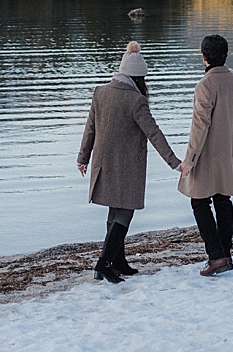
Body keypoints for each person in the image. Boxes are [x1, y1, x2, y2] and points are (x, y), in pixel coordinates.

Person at [77, 41, 181, 284]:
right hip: (127, 167)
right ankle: (103, 264)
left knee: (115, 211)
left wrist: (83, 158)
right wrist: (174, 162)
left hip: (103, 164)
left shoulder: (100, 92)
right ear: (139, 78)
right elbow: (154, 133)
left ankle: (118, 262)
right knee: (125, 212)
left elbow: (89, 128)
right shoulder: (136, 100)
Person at [178, 34, 233, 276]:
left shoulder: (205, 86)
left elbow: (199, 127)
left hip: (206, 154)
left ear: (204, 57)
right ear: (225, 55)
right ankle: (225, 254)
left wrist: (188, 160)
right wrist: (232, 142)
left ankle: (216, 256)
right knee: (223, 201)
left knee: (199, 202)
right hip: (231, 152)